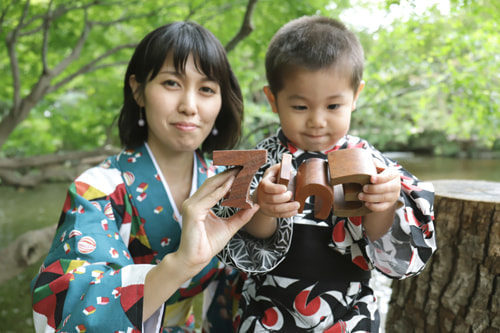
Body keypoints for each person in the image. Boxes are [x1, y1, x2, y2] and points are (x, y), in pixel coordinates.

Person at [30, 21, 259, 333]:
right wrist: (180, 265)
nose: (190, 106)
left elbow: (249, 284)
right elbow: (71, 303)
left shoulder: (227, 182)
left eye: (206, 89)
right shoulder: (98, 188)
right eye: (171, 83)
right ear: (138, 90)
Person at [216, 16, 437, 332]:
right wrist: (263, 208)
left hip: (348, 312)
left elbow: (387, 248)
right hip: (269, 308)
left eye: (333, 106)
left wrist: (384, 204)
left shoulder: (371, 163)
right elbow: (241, 243)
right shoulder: (258, 161)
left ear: (355, 96)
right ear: (273, 100)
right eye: (301, 107)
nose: (317, 121)